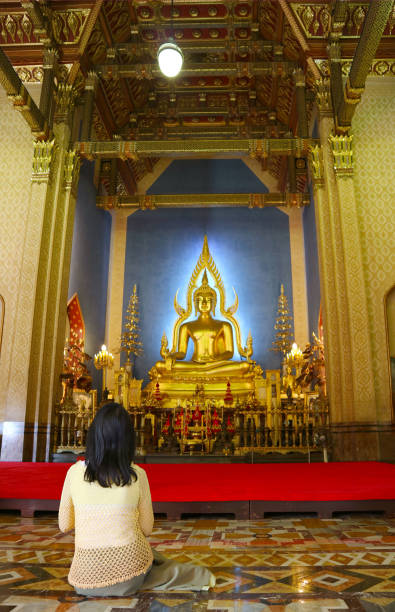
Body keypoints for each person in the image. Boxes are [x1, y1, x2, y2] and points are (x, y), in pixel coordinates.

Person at [58, 402, 215, 596]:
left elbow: (64, 525)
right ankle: (200, 576)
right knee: (159, 563)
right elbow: (147, 529)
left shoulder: (73, 472)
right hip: (130, 576)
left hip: (83, 581)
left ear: (93, 436)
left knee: (151, 557)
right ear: (128, 440)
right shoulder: (137, 475)